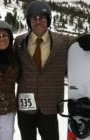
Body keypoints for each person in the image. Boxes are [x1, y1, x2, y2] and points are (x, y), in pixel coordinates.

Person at [14, 1, 74, 140]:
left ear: (48, 20)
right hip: (25, 107)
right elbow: (8, 63)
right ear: (29, 21)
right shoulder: (19, 41)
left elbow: (80, 41)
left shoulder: (63, 41)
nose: (38, 21)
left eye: (42, 17)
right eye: (34, 18)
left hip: (50, 106)